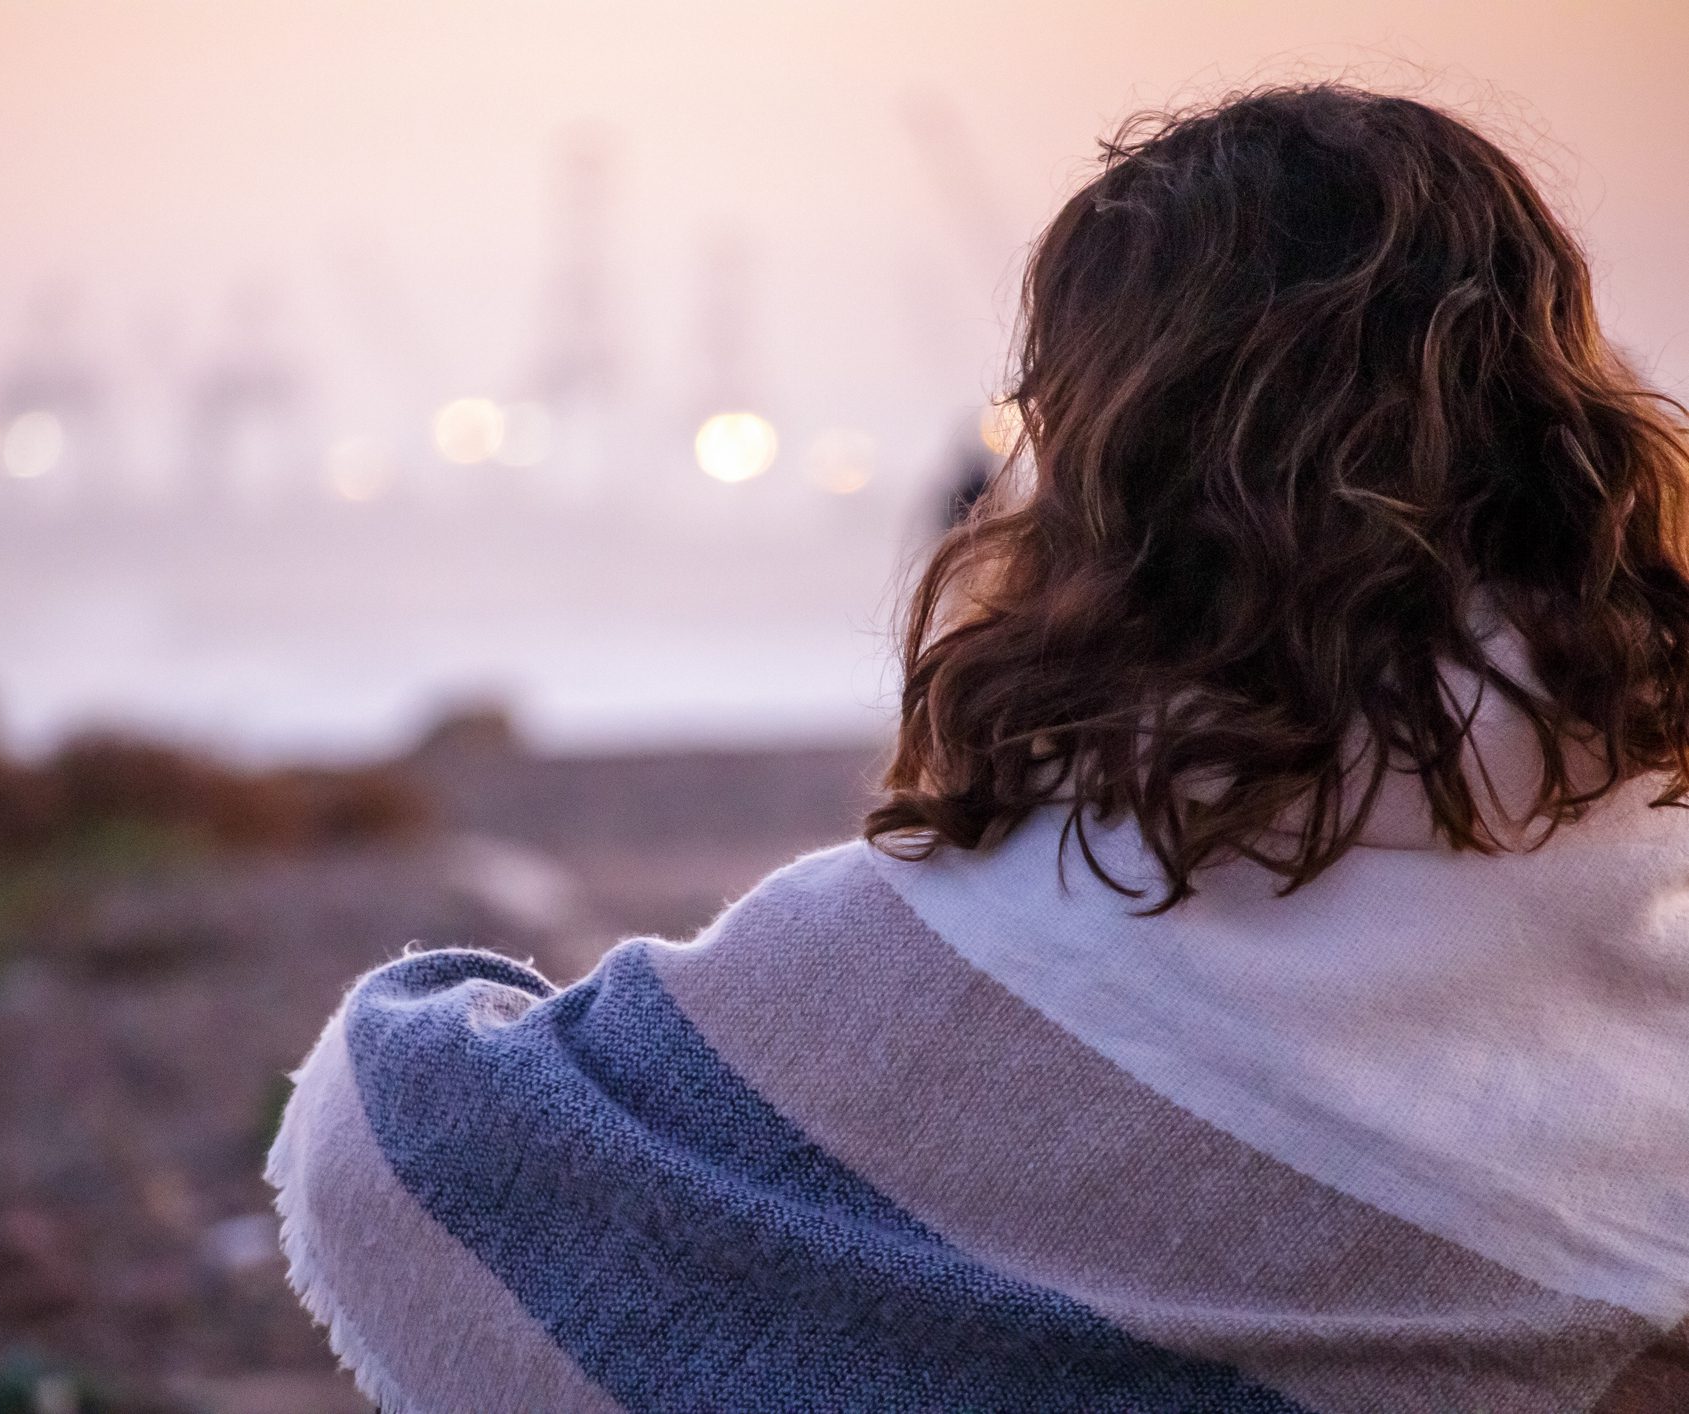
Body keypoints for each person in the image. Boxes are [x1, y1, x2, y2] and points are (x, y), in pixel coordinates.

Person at [267, 84, 1689, 1412]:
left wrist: (428, 998)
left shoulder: (941, 953)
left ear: (1110, 458)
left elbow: (411, 1148)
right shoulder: (1653, 903)